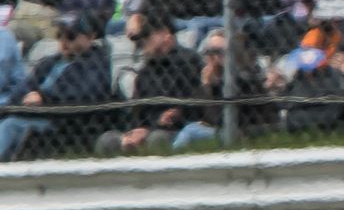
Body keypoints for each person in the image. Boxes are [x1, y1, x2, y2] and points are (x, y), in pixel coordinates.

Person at [0, 12, 112, 160]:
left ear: (90, 37)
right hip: (32, 115)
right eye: (60, 35)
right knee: (8, 120)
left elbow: (83, 94)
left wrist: (44, 98)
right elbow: (23, 89)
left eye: (71, 36)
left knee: (11, 125)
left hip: (61, 123)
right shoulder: (49, 63)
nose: (64, 41)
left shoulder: (96, 65)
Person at [95, 17, 200, 153]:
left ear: (165, 34)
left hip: (177, 129)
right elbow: (137, 112)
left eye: (147, 37)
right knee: (107, 140)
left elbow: (195, 103)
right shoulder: (146, 71)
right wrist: (136, 131)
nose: (142, 44)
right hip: (148, 129)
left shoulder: (190, 61)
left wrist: (170, 117)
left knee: (156, 139)